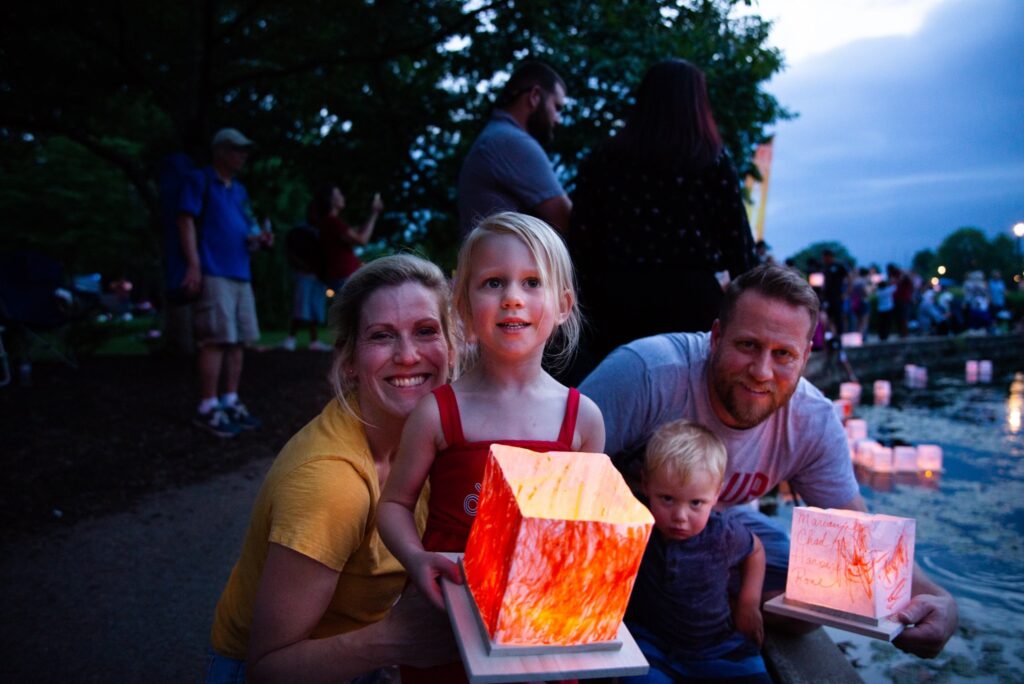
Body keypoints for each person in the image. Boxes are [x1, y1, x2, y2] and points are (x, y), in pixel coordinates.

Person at [579, 264, 958, 660]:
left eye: (783, 355)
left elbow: (857, 533)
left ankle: (701, 602)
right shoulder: (646, 373)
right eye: (747, 346)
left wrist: (937, 599)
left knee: (815, 602)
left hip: (714, 524)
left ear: (806, 356)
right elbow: (552, 474)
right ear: (716, 336)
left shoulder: (812, 419)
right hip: (618, 533)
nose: (761, 372)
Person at [204, 254, 459, 684]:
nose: (408, 354)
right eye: (381, 336)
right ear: (348, 361)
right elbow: (267, 668)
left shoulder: (434, 442)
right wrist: (394, 640)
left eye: (426, 331)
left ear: (451, 346)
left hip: (355, 657)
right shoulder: (331, 484)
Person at [378, 212, 605, 683]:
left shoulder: (583, 420)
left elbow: (587, 530)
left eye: (532, 282)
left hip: (540, 628)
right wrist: (416, 559)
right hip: (449, 621)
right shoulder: (438, 412)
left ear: (563, 304)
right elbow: (395, 505)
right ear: (463, 305)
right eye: (494, 283)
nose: (513, 299)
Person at [569, 58, 757, 364]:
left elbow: (580, 243)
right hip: (693, 305)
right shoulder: (713, 162)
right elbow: (740, 249)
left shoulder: (603, 160)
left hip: (617, 304)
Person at [624, 419, 769, 683]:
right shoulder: (639, 523)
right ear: (646, 485)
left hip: (716, 646)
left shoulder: (723, 534)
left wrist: (749, 603)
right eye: (667, 499)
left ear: (716, 495)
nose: (680, 516)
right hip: (653, 641)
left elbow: (755, 550)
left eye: (696, 503)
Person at [178, 128, 273, 437]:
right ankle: (208, 406)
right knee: (216, 338)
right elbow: (185, 220)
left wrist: (260, 240)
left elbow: (247, 235)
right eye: (237, 149)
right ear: (219, 150)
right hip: (214, 271)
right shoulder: (201, 180)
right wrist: (194, 264)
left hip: (240, 273)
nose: (243, 155)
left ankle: (230, 400)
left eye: (245, 150)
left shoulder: (240, 191)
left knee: (238, 340)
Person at [457, 61, 571, 236]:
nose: (558, 119)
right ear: (535, 96)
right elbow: (567, 221)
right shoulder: (511, 141)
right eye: (557, 107)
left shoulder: (494, 137)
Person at [315, 183, 384, 295]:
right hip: (344, 276)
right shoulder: (333, 223)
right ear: (331, 200)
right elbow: (362, 239)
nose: (343, 197)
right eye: (338, 194)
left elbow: (357, 233)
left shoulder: (328, 223)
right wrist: (375, 214)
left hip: (340, 276)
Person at [280, 204, 330, 352]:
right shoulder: (299, 231)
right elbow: (290, 253)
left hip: (318, 275)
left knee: (315, 307)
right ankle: (291, 338)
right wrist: (301, 266)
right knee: (300, 306)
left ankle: (314, 341)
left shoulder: (321, 231)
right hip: (304, 274)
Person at [821, 249, 849, 335]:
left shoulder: (839, 265)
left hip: (838, 295)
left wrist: (846, 293)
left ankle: (840, 335)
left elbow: (849, 278)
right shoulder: (825, 267)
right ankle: (832, 335)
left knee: (838, 316)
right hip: (827, 296)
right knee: (828, 316)